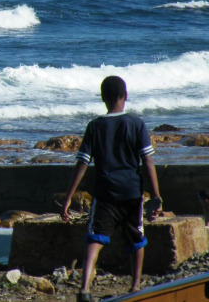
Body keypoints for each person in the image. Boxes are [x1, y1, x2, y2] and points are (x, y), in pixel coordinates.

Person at [61, 76, 162, 301]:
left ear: (102, 98)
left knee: (95, 238)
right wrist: (156, 195)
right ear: (125, 96)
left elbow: (82, 163)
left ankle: (85, 288)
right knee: (136, 238)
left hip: (105, 192)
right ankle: (135, 286)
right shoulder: (136, 124)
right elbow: (147, 161)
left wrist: (69, 197)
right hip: (132, 191)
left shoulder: (95, 126)